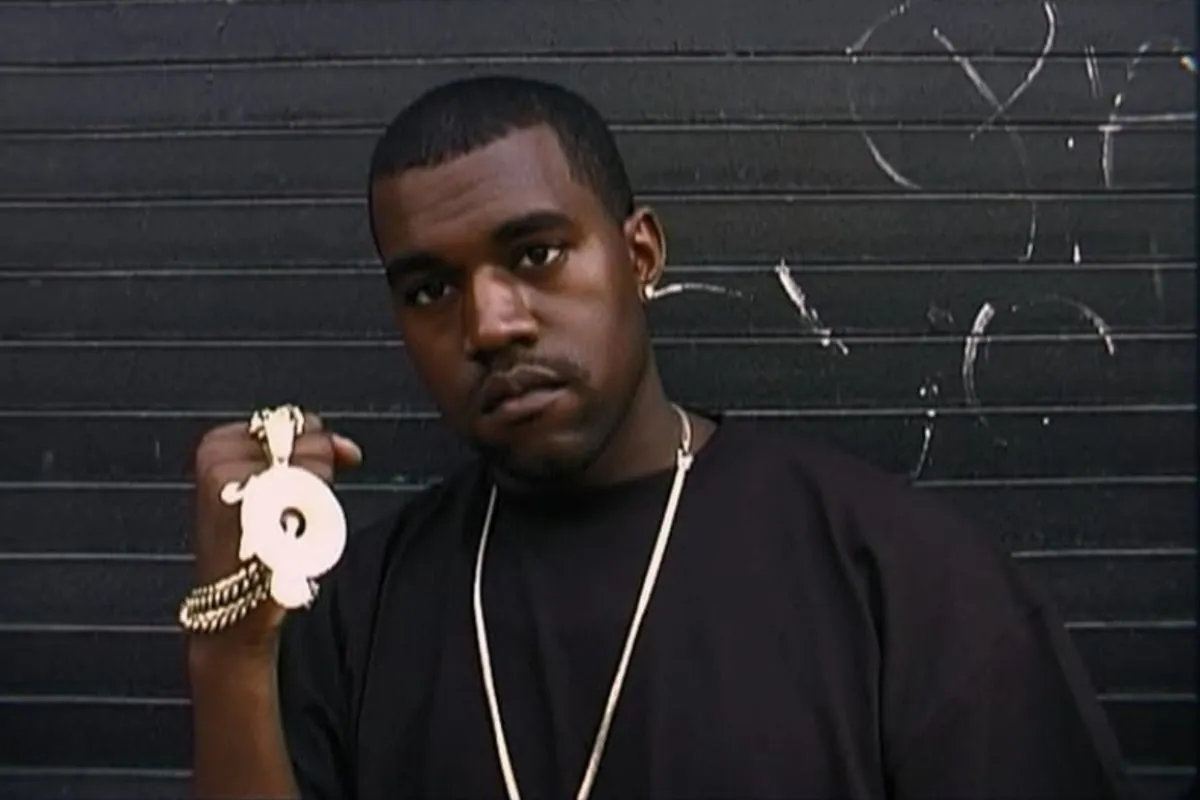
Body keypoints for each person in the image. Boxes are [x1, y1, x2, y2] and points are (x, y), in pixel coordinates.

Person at [185, 76, 1136, 800]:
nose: (489, 324)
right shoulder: (357, 612)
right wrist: (232, 651)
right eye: (430, 289)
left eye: (536, 254)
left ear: (639, 256)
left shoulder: (901, 580)